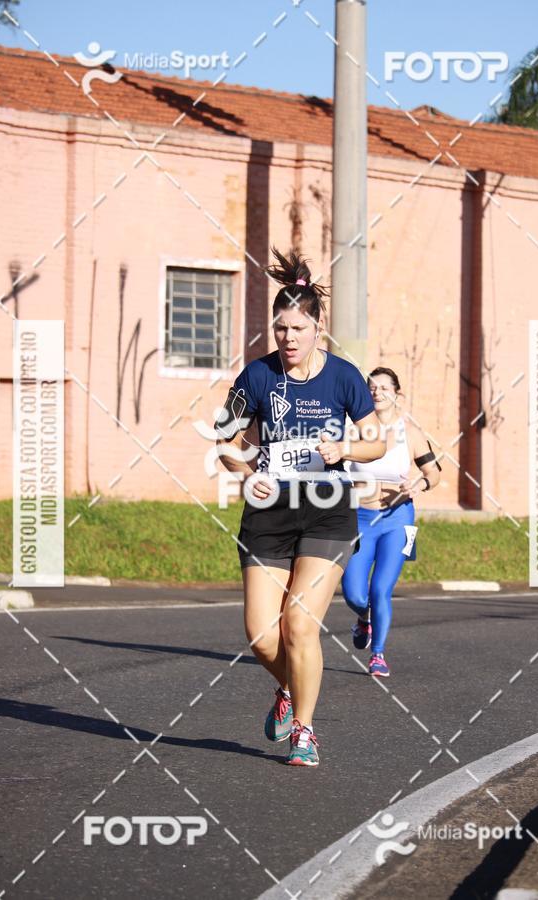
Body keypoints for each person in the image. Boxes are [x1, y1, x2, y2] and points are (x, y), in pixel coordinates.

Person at [215, 248, 386, 767]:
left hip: (328, 509)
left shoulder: (344, 377)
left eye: (297, 328)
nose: (287, 337)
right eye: (280, 327)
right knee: (263, 636)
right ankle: (288, 690)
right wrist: (248, 477)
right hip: (269, 513)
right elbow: (225, 441)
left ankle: (305, 732)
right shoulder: (257, 376)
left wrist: (345, 450)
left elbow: (375, 443)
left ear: (318, 329)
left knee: (299, 625)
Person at [341, 367, 441, 677]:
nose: (377, 391)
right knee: (354, 593)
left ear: (397, 393)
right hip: (359, 518)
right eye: (371, 386)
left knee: (381, 588)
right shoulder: (353, 432)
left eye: (384, 387)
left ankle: (378, 654)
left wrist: (419, 485)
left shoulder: (410, 433)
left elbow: (433, 474)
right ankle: (364, 617)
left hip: (398, 518)